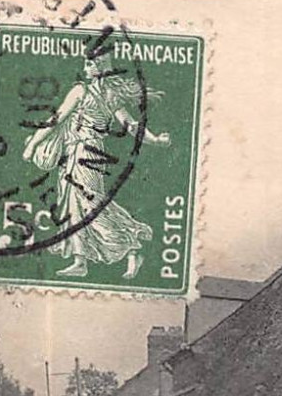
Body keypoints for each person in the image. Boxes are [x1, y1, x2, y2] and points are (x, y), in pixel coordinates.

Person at [22, 58, 171, 279]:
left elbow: (55, 120)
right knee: (75, 204)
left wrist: (33, 144)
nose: (85, 68)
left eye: (90, 64)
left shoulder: (82, 91)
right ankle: (81, 260)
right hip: (77, 154)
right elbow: (131, 126)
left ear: (101, 68)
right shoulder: (107, 96)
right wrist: (155, 140)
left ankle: (131, 245)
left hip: (86, 153)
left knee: (91, 204)